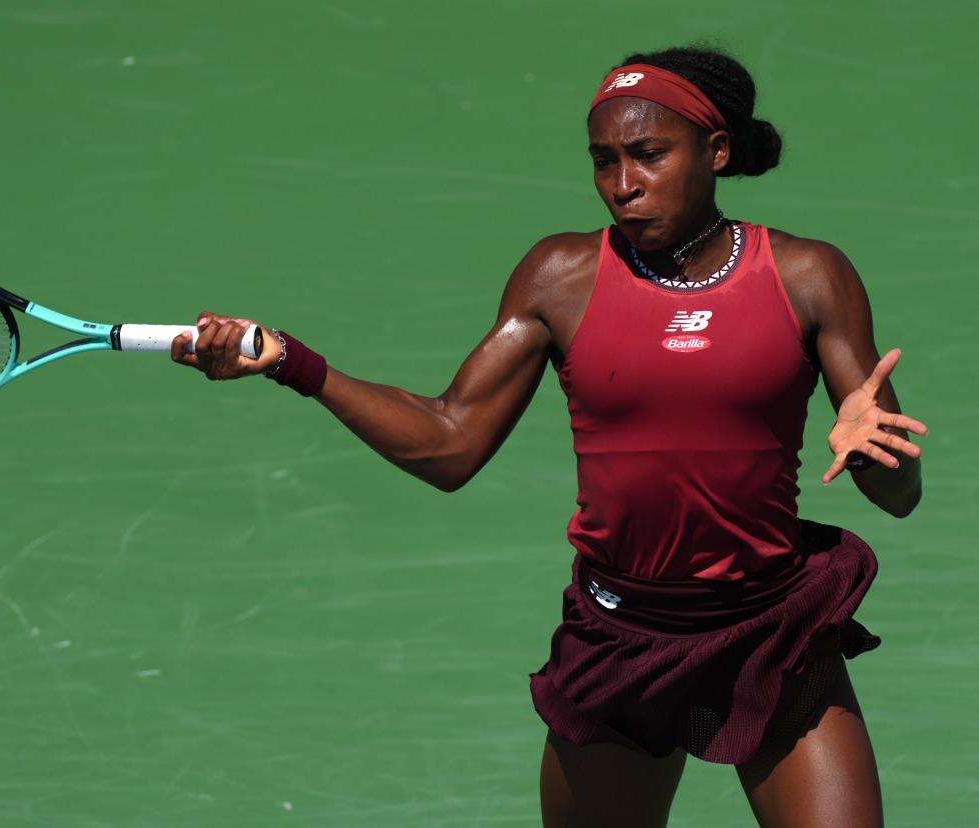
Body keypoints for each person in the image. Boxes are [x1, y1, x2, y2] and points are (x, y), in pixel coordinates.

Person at [170, 45, 928, 828]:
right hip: (622, 641)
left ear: (718, 151)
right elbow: (450, 441)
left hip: (771, 632)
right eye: (604, 161)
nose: (623, 185)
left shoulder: (807, 276)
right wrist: (293, 362)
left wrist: (881, 455)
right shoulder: (560, 276)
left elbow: (899, 496)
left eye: (648, 155)